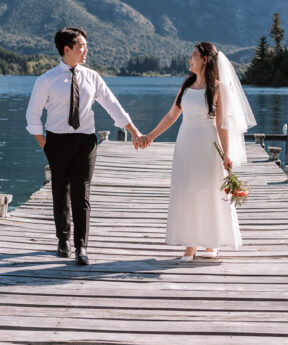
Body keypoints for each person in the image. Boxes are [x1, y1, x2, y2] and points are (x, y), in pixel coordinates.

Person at [26, 27, 142, 265]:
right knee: (60, 191)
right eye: (81, 46)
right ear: (66, 49)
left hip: (86, 141)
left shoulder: (92, 77)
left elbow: (112, 104)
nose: (86, 50)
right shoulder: (46, 80)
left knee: (82, 192)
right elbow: (32, 117)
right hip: (56, 141)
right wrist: (46, 146)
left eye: (86, 45)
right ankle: (63, 240)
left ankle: (81, 246)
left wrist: (134, 132)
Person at [138, 42, 256, 261]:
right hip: (185, 144)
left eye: (193, 55)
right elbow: (171, 115)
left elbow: (222, 125)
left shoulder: (219, 88)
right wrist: (151, 136)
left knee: (209, 191)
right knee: (186, 190)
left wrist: (227, 153)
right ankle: (190, 245)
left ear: (204, 60)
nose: (190, 58)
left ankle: (211, 243)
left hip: (208, 144)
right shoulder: (186, 85)